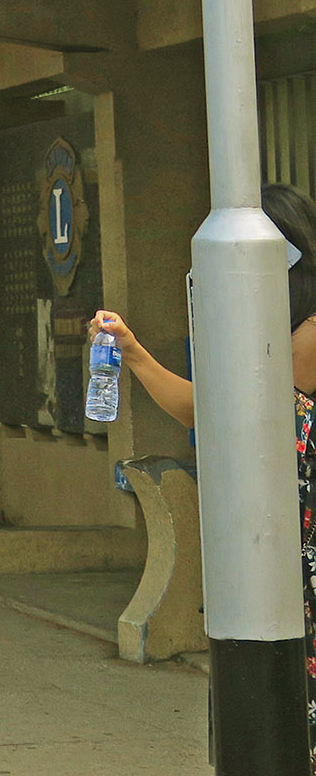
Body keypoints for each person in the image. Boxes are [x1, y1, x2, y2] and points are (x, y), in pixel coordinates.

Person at [90, 182, 316, 758]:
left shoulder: (304, 331)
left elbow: (232, 406)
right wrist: (134, 352)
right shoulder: (266, 330)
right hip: (266, 564)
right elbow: (209, 408)